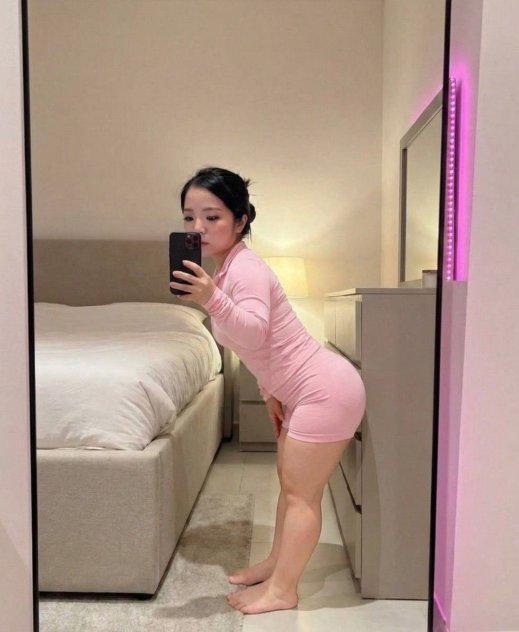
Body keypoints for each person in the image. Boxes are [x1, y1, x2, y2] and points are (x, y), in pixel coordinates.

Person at [170, 166, 366, 615]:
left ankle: (284, 590)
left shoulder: (246, 270)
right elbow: (260, 348)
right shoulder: (226, 271)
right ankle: (277, 564)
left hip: (324, 391)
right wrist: (271, 391)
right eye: (189, 217)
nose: (198, 228)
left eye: (212, 217)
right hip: (301, 390)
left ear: (240, 221)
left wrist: (209, 299)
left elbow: (255, 331)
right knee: (290, 486)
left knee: (301, 495)